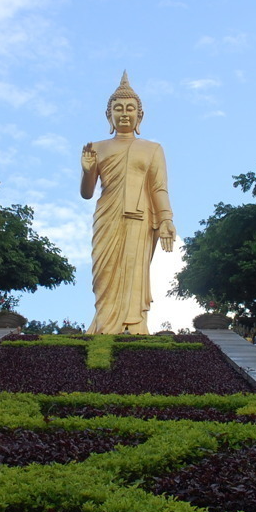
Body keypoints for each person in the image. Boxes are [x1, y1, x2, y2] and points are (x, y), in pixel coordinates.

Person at [81, 72, 175, 335]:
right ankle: (103, 322)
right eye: (118, 108)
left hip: (139, 217)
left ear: (140, 115)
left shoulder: (152, 149)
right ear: (108, 115)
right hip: (107, 214)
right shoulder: (96, 148)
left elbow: (158, 187)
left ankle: (134, 323)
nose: (124, 113)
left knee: (135, 268)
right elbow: (87, 193)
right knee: (104, 271)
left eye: (130, 108)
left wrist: (166, 219)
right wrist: (88, 170)